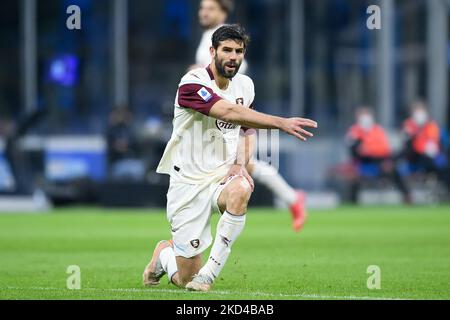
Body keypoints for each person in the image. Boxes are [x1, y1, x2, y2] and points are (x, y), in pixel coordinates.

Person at [142, 25, 317, 292]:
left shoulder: (245, 85)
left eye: (239, 51)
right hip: (187, 183)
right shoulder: (192, 82)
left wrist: (238, 164)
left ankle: (208, 276)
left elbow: (247, 128)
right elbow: (228, 111)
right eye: (227, 50)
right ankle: (164, 255)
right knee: (184, 277)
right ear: (212, 52)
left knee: (241, 188)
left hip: (221, 175)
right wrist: (280, 122)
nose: (233, 57)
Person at [191, 0, 307, 232]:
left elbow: (229, 73)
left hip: (224, 111)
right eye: (202, 8)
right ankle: (293, 199)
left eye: (211, 8)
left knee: (238, 164)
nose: (204, 12)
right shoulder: (209, 38)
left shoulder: (224, 39)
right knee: (243, 165)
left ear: (223, 12)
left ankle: (189, 233)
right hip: (211, 112)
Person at [346, 107, 411, 203]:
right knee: (354, 177)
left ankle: (407, 196)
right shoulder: (354, 131)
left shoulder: (378, 130)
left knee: (393, 170)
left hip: (381, 160)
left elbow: (385, 149)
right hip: (365, 162)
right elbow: (354, 152)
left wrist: (387, 161)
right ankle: (352, 201)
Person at [401, 101, 449, 188]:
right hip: (415, 156)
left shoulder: (431, 125)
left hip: (431, 155)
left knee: (444, 165)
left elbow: (433, 142)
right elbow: (408, 143)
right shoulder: (409, 125)